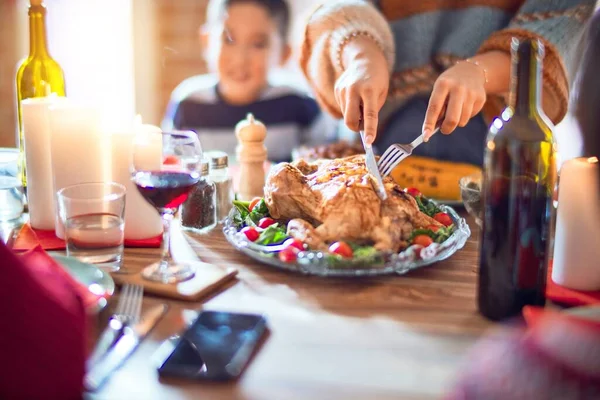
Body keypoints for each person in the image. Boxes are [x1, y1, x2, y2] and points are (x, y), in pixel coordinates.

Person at [299, 0, 596, 166]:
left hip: (497, 155)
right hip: (374, 145)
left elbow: (558, 23)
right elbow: (337, 6)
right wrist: (361, 53)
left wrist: (481, 72)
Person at [163, 0, 337, 162]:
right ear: (207, 41)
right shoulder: (188, 105)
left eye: (258, 44)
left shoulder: (302, 106)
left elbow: (323, 168)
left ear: (284, 53)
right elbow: (173, 168)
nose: (240, 59)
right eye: (229, 39)